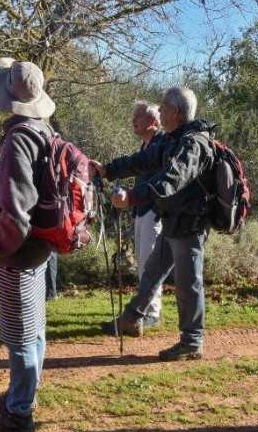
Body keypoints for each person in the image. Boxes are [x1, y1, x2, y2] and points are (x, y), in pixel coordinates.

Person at [92, 86, 215, 361]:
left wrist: (133, 197)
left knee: (188, 283)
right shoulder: (173, 139)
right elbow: (143, 161)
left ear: (175, 111)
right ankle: (132, 318)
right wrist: (109, 170)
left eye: (161, 107)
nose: (158, 111)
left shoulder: (193, 144)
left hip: (190, 224)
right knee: (152, 271)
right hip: (174, 220)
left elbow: (171, 180)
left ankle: (192, 341)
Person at [0, 58, 56, 432]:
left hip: (18, 252)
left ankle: (19, 412)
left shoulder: (19, 140)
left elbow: (15, 212)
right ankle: (20, 393)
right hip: (39, 248)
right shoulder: (43, 129)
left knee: (21, 334)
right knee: (33, 326)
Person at [129, 101, 167, 326]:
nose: (133, 121)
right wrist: (134, 211)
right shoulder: (146, 146)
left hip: (155, 213)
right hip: (143, 212)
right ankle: (145, 309)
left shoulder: (161, 144)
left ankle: (152, 312)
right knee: (142, 264)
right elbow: (140, 180)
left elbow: (162, 182)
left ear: (153, 121)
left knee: (150, 265)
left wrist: (154, 209)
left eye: (138, 117)